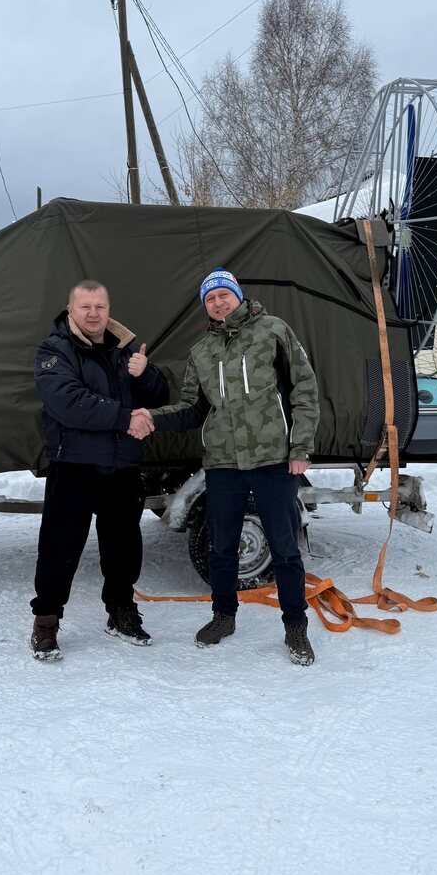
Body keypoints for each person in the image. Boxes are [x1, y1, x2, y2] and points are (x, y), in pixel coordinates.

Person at [130, 269, 320, 666]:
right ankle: (223, 616)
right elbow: (192, 409)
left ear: (237, 295)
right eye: (210, 298)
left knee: (285, 549)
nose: (218, 303)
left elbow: (304, 389)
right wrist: (152, 417)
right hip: (222, 462)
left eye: (223, 294)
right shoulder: (202, 350)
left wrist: (300, 446)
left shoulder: (273, 330)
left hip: (272, 459)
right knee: (221, 547)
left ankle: (295, 625)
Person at [30, 280, 168, 661]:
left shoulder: (127, 350)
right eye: (85, 306)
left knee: (124, 547)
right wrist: (125, 419)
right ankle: (46, 621)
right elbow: (68, 402)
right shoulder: (54, 351)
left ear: (109, 310)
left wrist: (146, 374)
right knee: (60, 548)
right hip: (74, 466)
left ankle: (121, 611)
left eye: (100, 307)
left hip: (123, 467)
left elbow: (160, 397)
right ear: (70, 310)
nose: (93, 314)